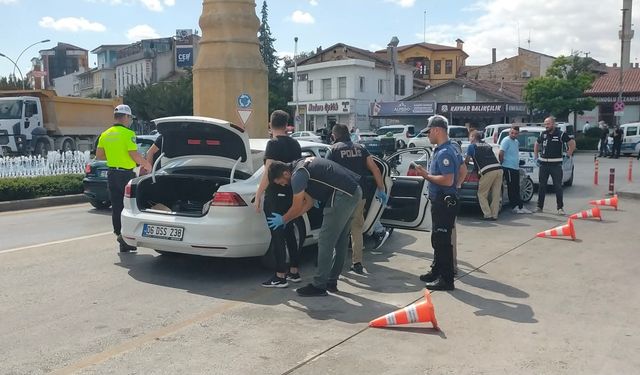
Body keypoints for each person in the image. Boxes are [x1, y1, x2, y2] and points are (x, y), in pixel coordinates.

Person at [267, 157, 362, 297]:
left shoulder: (297, 175)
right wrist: (289, 219)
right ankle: (331, 282)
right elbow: (309, 203)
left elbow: (297, 205)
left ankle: (319, 285)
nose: (283, 185)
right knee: (341, 239)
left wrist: (283, 218)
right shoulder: (302, 165)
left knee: (325, 240)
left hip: (342, 196)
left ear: (285, 174)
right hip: (353, 192)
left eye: (281, 182)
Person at [412, 115, 466, 291]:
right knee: (437, 238)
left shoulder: (445, 152)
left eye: (429, 132)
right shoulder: (451, 148)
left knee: (442, 240)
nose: (428, 135)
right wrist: (456, 187)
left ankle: (446, 278)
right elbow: (463, 170)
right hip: (444, 199)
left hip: (444, 202)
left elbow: (447, 179)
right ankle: (436, 270)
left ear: (437, 130)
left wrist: (425, 175)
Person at [326, 124, 387, 274]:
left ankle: (334, 265)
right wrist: (381, 189)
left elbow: (326, 171)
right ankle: (357, 263)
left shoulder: (333, 150)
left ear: (334, 136)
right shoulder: (360, 148)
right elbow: (375, 169)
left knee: (338, 230)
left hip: (341, 194)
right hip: (360, 194)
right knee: (357, 229)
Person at [254, 110, 302, 288]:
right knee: (289, 231)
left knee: (277, 235)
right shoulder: (295, 144)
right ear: (286, 124)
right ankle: (294, 271)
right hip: (292, 192)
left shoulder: (273, 144)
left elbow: (268, 172)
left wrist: (259, 195)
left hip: (275, 194)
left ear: (270, 124)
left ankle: (280, 276)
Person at [96, 104, 152, 253]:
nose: (130, 121)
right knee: (130, 206)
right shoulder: (128, 134)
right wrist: (147, 165)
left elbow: (99, 155)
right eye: (130, 118)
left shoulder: (105, 134)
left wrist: (115, 156)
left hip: (112, 174)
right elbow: (134, 155)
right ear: (126, 117)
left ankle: (121, 238)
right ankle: (127, 239)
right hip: (126, 175)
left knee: (116, 207)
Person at [534, 116, 576, 215]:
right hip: (544, 164)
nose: (546, 126)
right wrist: (536, 157)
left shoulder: (561, 134)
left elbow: (572, 143)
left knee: (558, 187)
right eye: (545, 124)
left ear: (553, 124)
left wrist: (568, 155)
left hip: (556, 165)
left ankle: (560, 208)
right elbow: (536, 144)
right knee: (542, 186)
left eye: (548, 124)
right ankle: (539, 206)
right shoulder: (543, 134)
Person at [465, 130, 503, 220]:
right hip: (498, 168)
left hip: (487, 171)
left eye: (470, 136)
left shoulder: (472, 146)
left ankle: (487, 214)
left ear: (474, 137)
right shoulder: (487, 145)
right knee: (496, 193)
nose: (469, 138)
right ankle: (494, 215)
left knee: (482, 194)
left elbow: (466, 160)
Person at [500, 125, 531, 214]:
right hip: (508, 167)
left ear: (518, 134)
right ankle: (514, 206)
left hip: (515, 167)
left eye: (516, 133)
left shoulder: (516, 142)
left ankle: (520, 206)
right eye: (512, 133)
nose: (513, 135)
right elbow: (501, 153)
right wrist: (502, 163)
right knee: (511, 187)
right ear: (509, 132)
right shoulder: (506, 140)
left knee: (516, 187)